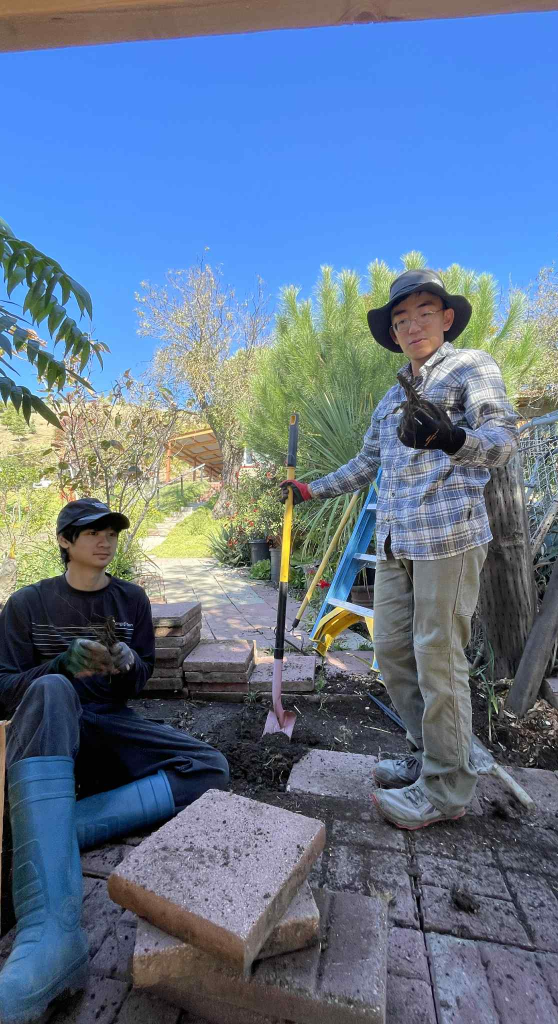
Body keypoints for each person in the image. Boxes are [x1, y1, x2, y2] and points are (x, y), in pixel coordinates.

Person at [282, 268, 518, 832]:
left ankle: (446, 788)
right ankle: (429, 753)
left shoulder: (470, 366)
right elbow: (368, 462)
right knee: (390, 653)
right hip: (395, 540)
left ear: (447, 318)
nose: (413, 325)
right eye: (401, 319)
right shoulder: (391, 397)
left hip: (448, 537)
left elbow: (503, 439)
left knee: (439, 658)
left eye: (424, 313)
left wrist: (453, 439)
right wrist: (311, 490)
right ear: (392, 333)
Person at [0, 498, 229, 1023]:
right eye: (91, 532)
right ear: (65, 541)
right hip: (53, 733)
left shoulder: (131, 600)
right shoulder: (28, 604)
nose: (105, 541)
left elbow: (138, 682)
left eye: (112, 532)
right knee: (53, 690)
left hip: (111, 726)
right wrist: (60, 667)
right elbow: (3, 690)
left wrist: (127, 664)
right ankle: (51, 938)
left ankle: (50, 832)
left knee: (210, 768)